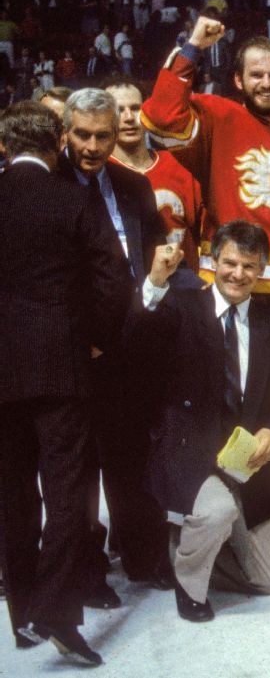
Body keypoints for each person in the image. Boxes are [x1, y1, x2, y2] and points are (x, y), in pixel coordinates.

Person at [0, 100, 132, 666]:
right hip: (63, 365)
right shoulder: (74, 199)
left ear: (5, 147)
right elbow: (114, 278)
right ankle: (55, 611)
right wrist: (95, 338)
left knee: (11, 495)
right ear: (57, 142)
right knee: (68, 491)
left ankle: (22, 611)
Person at [132, 220, 270, 622]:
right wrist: (154, 283)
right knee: (218, 511)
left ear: (262, 270)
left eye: (249, 266)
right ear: (212, 261)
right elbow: (137, 344)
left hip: (246, 463)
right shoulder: (180, 306)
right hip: (190, 455)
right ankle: (190, 584)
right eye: (230, 263)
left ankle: (183, 550)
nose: (238, 274)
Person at [140, 16, 270, 355]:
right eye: (256, 76)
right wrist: (194, 46)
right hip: (236, 277)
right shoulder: (217, 114)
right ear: (239, 80)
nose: (266, 83)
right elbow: (159, 116)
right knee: (233, 386)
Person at [56, 88, 170, 607]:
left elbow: (154, 251)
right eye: (83, 134)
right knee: (82, 469)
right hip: (80, 350)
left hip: (134, 340)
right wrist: (84, 339)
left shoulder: (132, 184)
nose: (94, 145)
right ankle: (88, 571)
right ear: (65, 132)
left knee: (131, 456)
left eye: (103, 135)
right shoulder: (49, 186)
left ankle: (144, 557)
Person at [106, 76, 204, 275]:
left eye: (135, 108)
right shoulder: (99, 175)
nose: (128, 118)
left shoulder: (180, 164)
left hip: (186, 288)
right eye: (118, 110)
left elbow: (208, 232)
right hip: (128, 292)